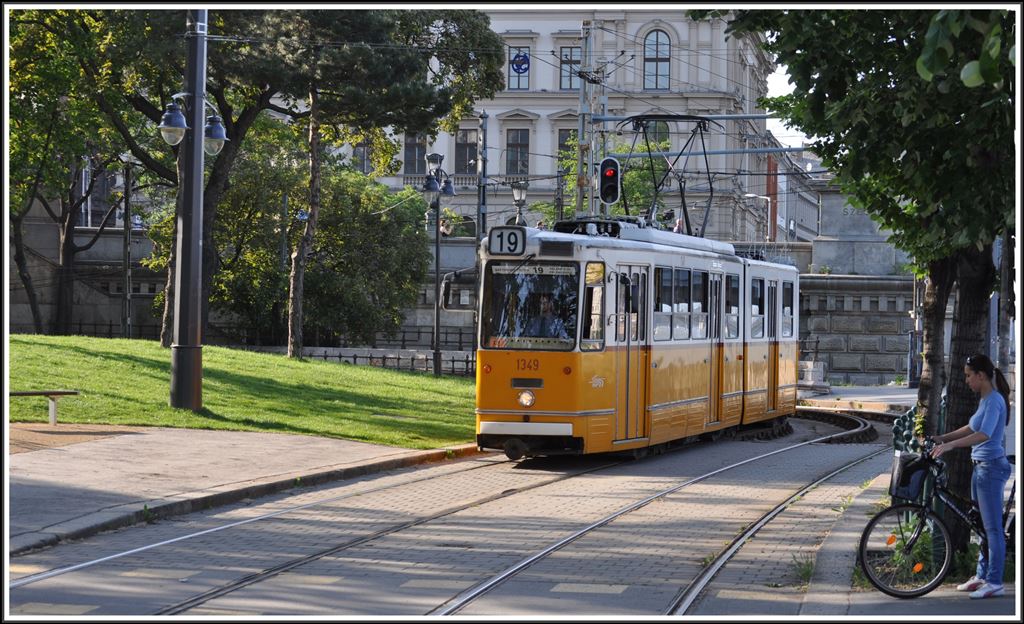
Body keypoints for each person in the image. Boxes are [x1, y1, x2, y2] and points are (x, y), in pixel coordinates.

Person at [928, 353, 1012, 599]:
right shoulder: (985, 400)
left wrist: (952, 446)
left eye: (968, 376)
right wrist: (944, 438)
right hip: (981, 467)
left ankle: (995, 581)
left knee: (993, 528)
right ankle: (982, 575)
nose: (966, 380)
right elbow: (972, 427)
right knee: (981, 527)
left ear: (981, 375)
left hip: (991, 468)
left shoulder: (995, 400)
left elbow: (984, 434)